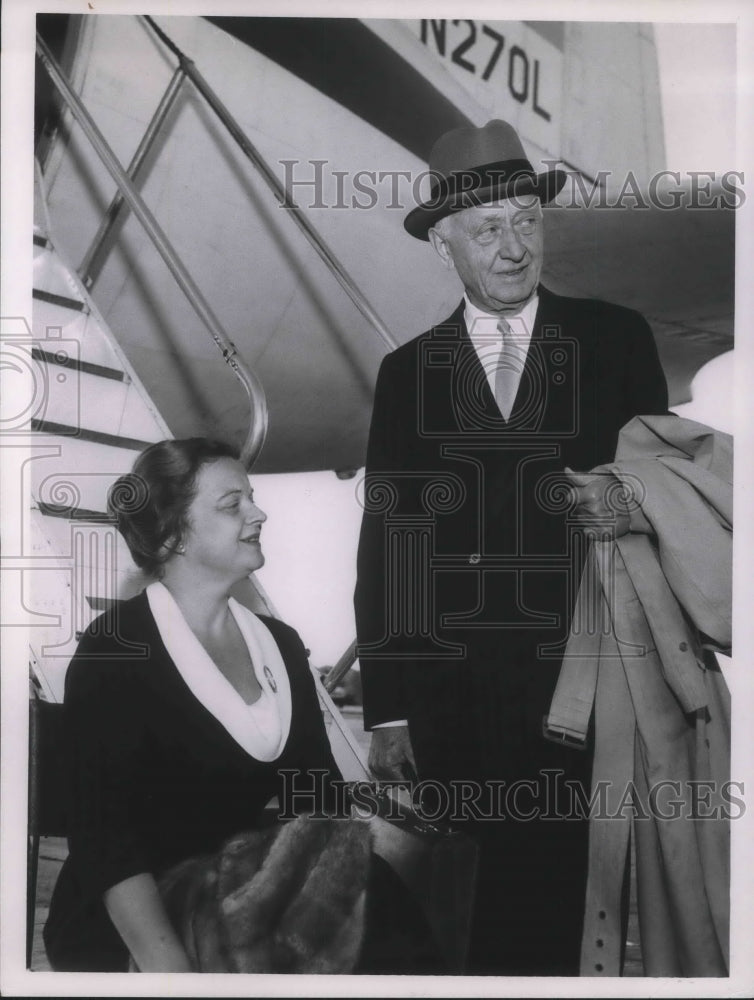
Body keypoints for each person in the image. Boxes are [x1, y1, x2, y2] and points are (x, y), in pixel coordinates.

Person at [354, 119, 669, 975]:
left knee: (562, 915)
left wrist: (632, 502)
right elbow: (391, 548)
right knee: (458, 922)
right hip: (450, 702)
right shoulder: (407, 375)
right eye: (487, 228)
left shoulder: (617, 340)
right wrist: (388, 709)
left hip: (584, 690)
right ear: (443, 244)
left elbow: (671, 498)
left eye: (527, 219)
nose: (512, 246)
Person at [44, 438, 438, 973]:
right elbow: (104, 842)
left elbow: (314, 797)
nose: (259, 513)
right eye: (233, 505)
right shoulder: (115, 648)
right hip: (138, 923)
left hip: (244, 895)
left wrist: (333, 888)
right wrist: (172, 972)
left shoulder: (279, 642)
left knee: (385, 900)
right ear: (172, 535)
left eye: (251, 497)